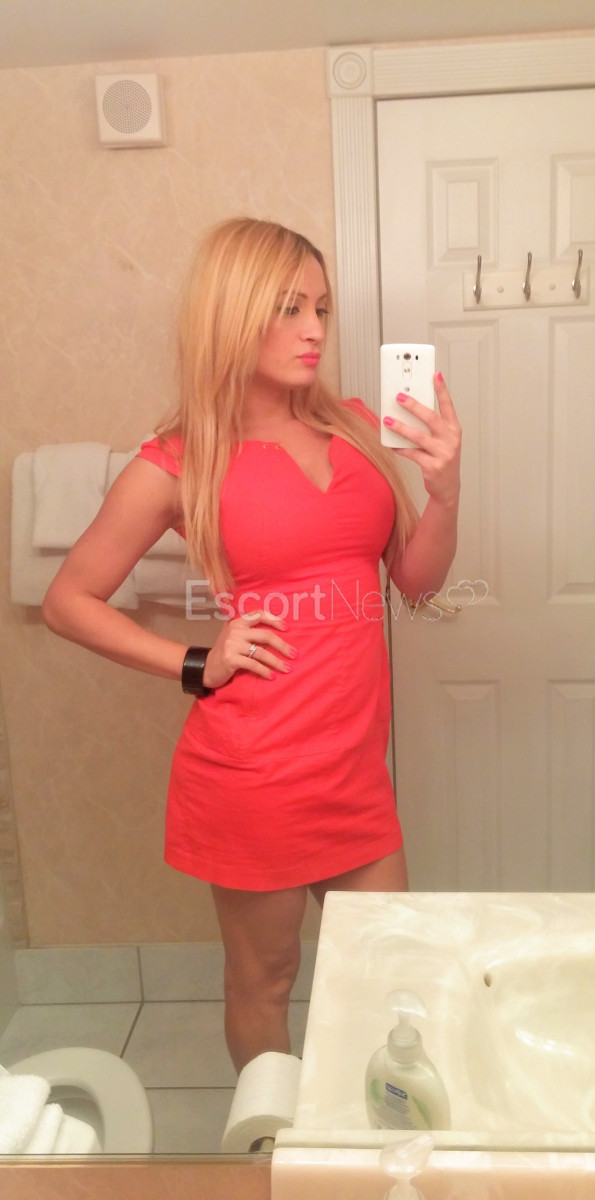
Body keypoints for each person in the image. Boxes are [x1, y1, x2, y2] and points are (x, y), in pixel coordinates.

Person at [42, 217, 461, 1073]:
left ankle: (362, 1134)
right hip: (253, 772)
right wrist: (196, 662)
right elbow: (68, 601)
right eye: (287, 307)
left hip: (353, 769)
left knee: (388, 975)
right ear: (231, 314)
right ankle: (268, 1142)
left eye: (320, 307)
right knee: (264, 980)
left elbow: (416, 585)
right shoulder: (179, 459)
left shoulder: (357, 427)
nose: (314, 329)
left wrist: (445, 494)